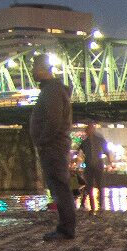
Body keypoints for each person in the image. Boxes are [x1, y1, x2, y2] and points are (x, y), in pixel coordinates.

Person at [30, 61, 76, 238]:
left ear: (44, 70)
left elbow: (54, 120)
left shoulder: (52, 91)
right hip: (53, 145)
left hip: (53, 146)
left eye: (35, 69)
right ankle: (66, 227)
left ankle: (66, 229)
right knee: (58, 186)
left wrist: (42, 140)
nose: (33, 72)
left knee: (59, 186)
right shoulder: (52, 90)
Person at [78, 124, 110, 211]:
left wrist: (109, 160)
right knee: (91, 186)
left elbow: (106, 151)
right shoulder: (86, 142)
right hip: (92, 166)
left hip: (95, 165)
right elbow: (106, 151)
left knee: (96, 186)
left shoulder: (93, 141)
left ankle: (97, 206)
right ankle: (95, 206)